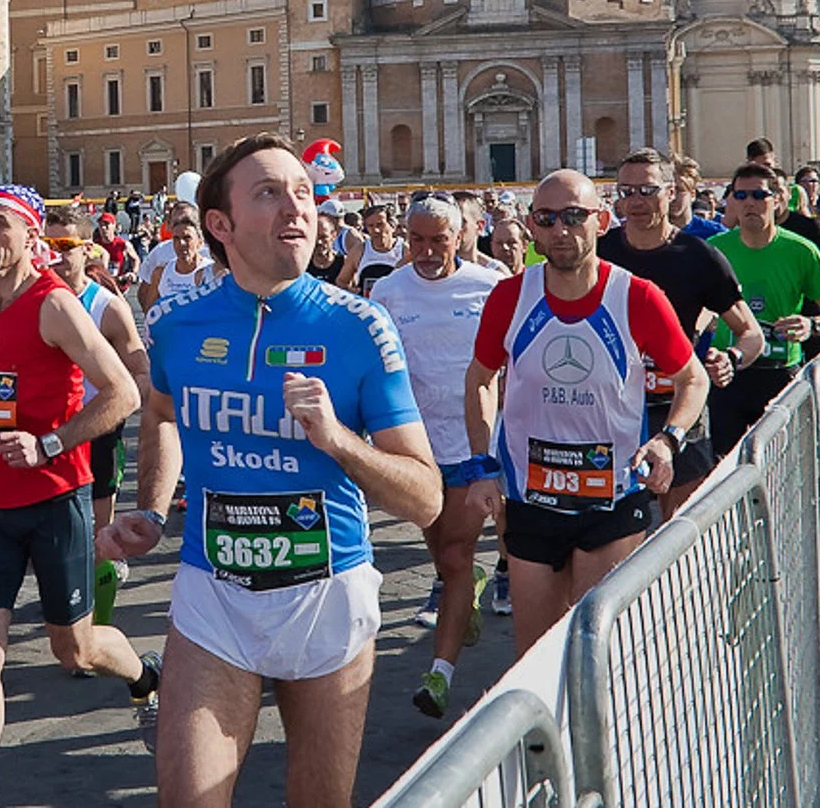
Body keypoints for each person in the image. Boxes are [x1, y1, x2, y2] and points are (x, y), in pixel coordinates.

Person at [101, 137, 440, 806]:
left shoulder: (360, 326)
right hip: (214, 593)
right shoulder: (174, 323)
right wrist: (149, 505)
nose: (297, 206)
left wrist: (339, 439)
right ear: (220, 225)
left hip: (327, 597)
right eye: (269, 192)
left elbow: (426, 497)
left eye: (304, 192)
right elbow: (162, 415)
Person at [0, 184, 158, 808]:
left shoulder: (54, 305)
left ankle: (144, 674)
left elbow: (123, 395)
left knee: (74, 648)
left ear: (31, 236)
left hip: (56, 498)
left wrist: (48, 445)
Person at [465, 170, 711, 658]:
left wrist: (668, 439)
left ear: (601, 220)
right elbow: (479, 379)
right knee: (537, 657)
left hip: (612, 499)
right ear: (532, 226)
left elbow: (693, 378)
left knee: (596, 653)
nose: (561, 230)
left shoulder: (637, 297)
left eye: (574, 216)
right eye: (547, 218)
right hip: (531, 499)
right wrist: (482, 465)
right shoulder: (510, 297)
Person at [370, 196, 502, 718]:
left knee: (455, 554)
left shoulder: (488, 287)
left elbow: (506, 364)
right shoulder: (387, 290)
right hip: (415, 448)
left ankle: (439, 675)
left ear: (460, 237)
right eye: (417, 240)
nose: (426, 251)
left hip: (473, 444)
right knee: (442, 553)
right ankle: (464, 593)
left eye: (437, 240)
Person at [597, 149, 767, 517]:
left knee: (681, 525)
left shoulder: (698, 256)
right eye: (626, 192)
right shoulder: (599, 252)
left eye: (647, 191)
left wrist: (732, 358)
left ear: (671, 192)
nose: (636, 202)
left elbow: (751, 334)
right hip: (610, 408)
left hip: (677, 405)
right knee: (615, 528)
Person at [705, 165, 820, 456]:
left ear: (777, 200)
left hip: (779, 373)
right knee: (722, 471)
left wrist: (811, 325)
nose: (749, 202)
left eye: (758, 194)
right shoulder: (713, 251)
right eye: (740, 195)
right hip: (728, 374)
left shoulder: (801, 250)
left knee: (782, 466)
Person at [42, 209, 151, 538]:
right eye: (47, 244)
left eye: (63, 244)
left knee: (100, 520)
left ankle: (101, 568)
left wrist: (120, 409)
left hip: (97, 425)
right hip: (50, 424)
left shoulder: (108, 307)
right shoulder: (35, 299)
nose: (54, 254)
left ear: (86, 247)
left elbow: (141, 371)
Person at [137, 211, 213, 312]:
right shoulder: (161, 273)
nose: (181, 243)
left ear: (199, 242)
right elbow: (150, 314)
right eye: (176, 239)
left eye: (187, 238)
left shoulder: (213, 272)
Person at [338, 203, 404, 296]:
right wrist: (355, 295)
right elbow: (341, 281)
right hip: (369, 307)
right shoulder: (359, 250)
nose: (376, 230)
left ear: (392, 226)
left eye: (380, 225)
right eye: (371, 226)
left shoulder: (405, 250)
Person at [672, 155, 723, 240]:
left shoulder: (715, 234)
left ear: (692, 195)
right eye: (668, 191)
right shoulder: (648, 234)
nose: (672, 197)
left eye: (679, 191)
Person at [308, 210, 348, 284]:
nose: (319, 242)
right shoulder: (303, 264)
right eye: (315, 237)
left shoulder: (345, 263)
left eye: (324, 237)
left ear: (333, 236)